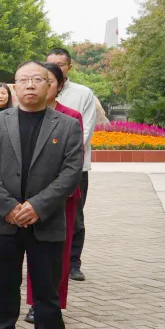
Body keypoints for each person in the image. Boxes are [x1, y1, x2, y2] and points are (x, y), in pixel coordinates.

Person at [0, 61, 83, 329]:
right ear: (14, 86)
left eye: (38, 79)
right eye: (23, 80)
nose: (30, 85)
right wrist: (9, 207)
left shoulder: (67, 125)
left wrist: (37, 206)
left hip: (46, 221)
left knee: (47, 288)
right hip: (4, 220)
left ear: (50, 85)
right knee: (5, 283)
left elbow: (71, 172)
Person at [24, 62, 83, 322]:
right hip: (25, 197)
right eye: (34, 79)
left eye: (46, 80)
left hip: (60, 198)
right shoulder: (19, 115)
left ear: (57, 86)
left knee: (57, 254)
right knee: (30, 251)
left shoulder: (70, 118)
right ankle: (34, 302)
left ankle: (52, 302)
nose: (37, 85)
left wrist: (49, 196)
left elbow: (72, 163)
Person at [46, 47, 97, 282]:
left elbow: (84, 131)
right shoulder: (39, 89)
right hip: (44, 168)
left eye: (61, 64)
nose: (56, 68)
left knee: (75, 216)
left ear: (69, 67)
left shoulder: (83, 94)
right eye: (51, 63)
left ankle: (74, 262)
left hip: (75, 167)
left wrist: (61, 157)